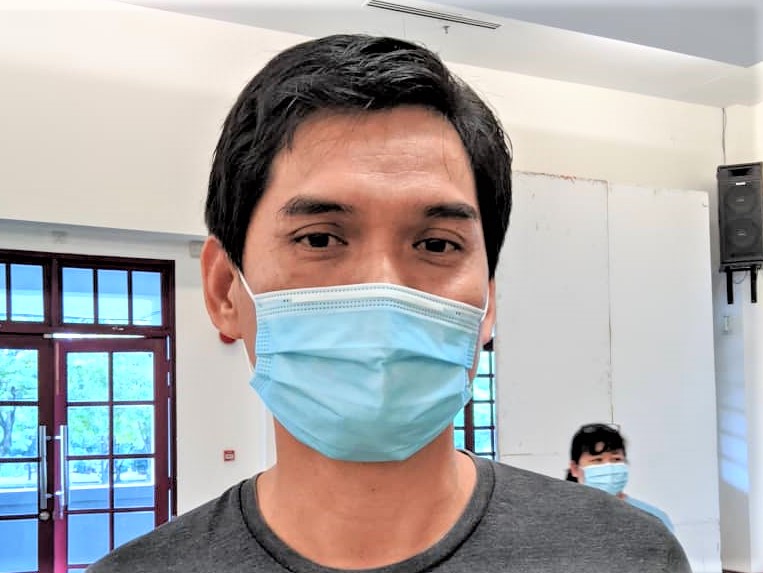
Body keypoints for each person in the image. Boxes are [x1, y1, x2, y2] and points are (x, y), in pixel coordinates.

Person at [88, 34, 690, 572]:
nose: (385, 288)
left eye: (436, 244)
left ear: (487, 305)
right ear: (225, 288)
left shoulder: (629, 557)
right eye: (319, 239)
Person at [567, 423, 675, 531]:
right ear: (575, 468)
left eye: (616, 459)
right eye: (597, 460)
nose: (609, 467)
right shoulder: (565, 517)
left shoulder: (654, 518)